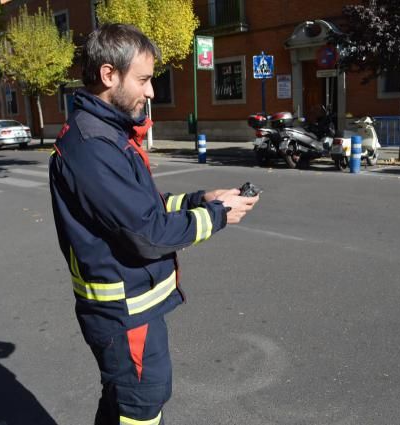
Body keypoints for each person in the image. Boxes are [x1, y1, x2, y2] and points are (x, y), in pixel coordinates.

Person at [48, 24, 259, 425]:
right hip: (123, 312)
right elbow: (147, 234)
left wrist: (201, 199)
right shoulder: (94, 145)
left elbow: (142, 208)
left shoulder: (107, 134)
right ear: (109, 75)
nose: (150, 92)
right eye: (143, 80)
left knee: (124, 401)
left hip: (130, 306)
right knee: (141, 404)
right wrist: (218, 216)